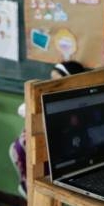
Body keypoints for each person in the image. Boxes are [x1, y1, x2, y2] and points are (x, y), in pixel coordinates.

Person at [10, 61, 86, 198]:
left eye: (56, 80)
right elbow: (21, 109)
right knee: (20, 146)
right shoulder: (49, 95)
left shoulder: (74, 100)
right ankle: (29, 187)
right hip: (40, 146)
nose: (52, 84)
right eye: (51, 79)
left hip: (58, 149)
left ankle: (34, 191)